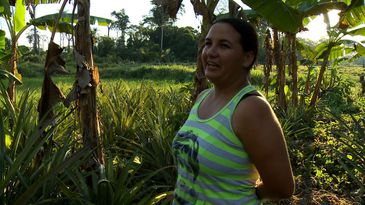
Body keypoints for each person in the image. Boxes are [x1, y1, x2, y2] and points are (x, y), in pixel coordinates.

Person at [172, 17, 295, 204]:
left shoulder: (250, 108)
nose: (211, 52)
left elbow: (281, 186)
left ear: (247, 57)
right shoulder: (202, 97)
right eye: (208, 43)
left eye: (224, 46)